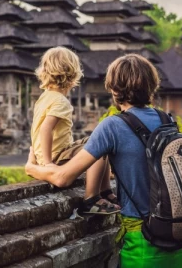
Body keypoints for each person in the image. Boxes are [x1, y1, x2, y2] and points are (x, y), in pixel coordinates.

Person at [26, 54, 182, 267]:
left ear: (115, 90)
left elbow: (62, 178)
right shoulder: (167, 120)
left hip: (144, 247)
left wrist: (33, 168)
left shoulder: (112, 126)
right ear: (152, 86)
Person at [31, 46, 120, 214]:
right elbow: (45, 129)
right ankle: (91, 198)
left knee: (95, 140)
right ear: (73, 74)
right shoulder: (60, 101)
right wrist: (49, 163)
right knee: (99, 146)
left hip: (47, 154)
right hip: (57, 155)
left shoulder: (44, 98)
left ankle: (105, 190)